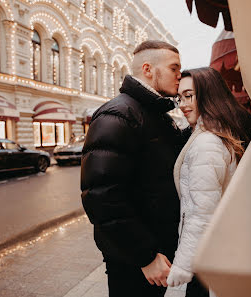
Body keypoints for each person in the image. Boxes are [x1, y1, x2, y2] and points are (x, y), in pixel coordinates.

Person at [80, 40, 190, 297]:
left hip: (155, 248)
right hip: (135, 259)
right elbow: (101, 196)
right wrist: (145, 256)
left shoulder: (154, 114)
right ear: (148, 69)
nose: (179, 76)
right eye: (174, 68)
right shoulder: (118, 115)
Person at [166, 67, 251, 296]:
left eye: (189, 95)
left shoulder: (207, 143)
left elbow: (201, 213)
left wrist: (183, 265)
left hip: (207, 253)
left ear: (209, 95)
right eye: (179, 98)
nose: (182, 104)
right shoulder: (218, 132)